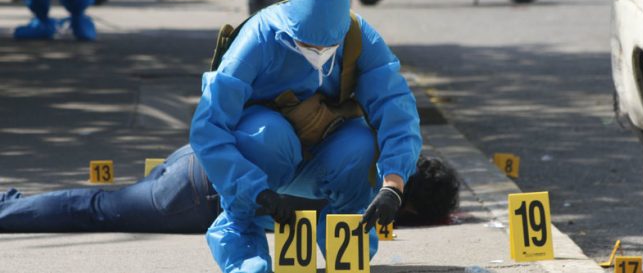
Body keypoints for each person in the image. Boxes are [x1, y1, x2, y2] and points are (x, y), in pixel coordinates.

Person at [189, 0, 421, 273]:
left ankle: (347, 249)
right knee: (266, 134)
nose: (319, 54)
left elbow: (397, 110)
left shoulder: (360, 37)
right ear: (290, 26)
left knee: (363, 145)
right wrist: (253, 190)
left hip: (326, 154)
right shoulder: (257, 40)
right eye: (308, 46)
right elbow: (208, 128)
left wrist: (392, 185)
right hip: (261, 163)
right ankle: (243, 250)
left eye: (329, 47)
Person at [0, 145, 460, 233]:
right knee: (94, 209)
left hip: (204, 158)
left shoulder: (365, 145)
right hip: (200, 196)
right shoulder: (363, 204)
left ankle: (14, 204)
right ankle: (8, 211)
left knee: (104, 202)